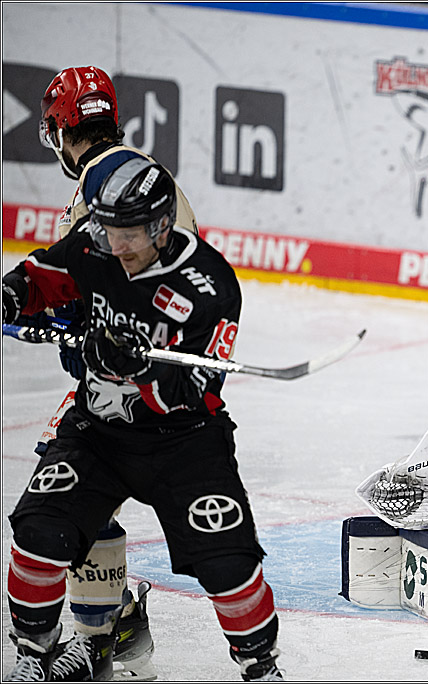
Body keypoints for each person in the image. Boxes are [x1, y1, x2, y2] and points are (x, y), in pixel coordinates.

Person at [2, 159, 283, 682]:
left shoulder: (210, 286)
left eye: (130, 232)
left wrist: (138, 369)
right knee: (38, 533)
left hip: (185, 441)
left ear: (161, 225)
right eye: (110, 229)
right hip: (98, 433)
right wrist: (14, 294)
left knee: (228, 564)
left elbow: (197, 391)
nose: (118, 244)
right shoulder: (95, 245)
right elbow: (45, 276)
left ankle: (261, 667)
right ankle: (33, 657)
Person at [17, 64, 201, 682]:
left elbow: (90, 284)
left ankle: (105, 637)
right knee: (80, 493)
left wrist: (51, 314)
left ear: (61, 128)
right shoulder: (143, 172)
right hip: (157, 376)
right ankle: (120, 631)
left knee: (70, 494)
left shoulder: (101, 184)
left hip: (131, 383)